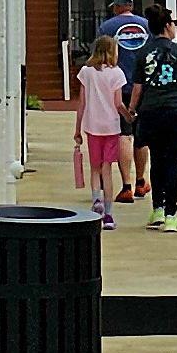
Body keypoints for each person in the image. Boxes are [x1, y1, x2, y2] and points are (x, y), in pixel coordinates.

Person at [126, 9, 177, 228]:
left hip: (152, 112)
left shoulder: (143, 53)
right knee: (173, 161)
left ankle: (157, 209)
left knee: (157, 160)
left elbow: (138, 88)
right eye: (174, 23)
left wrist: (131, 110)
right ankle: (171, 215)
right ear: (168, 25)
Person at [74, 44, 130, 222]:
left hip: (92, 126)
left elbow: (82, 103)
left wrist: (77, 129)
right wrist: (129, 117)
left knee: (95, 167)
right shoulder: (117, 73)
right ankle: (108, 213)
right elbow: (119, 103)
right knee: (107, 168)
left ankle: (96, 199)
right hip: (111, 127)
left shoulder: (86, 72)